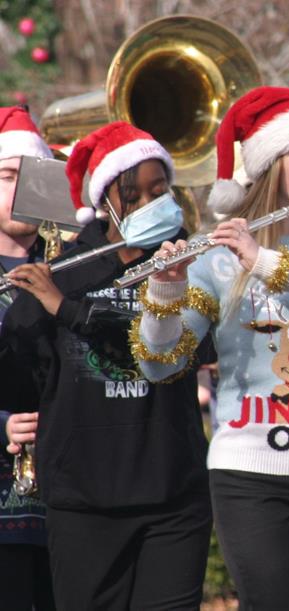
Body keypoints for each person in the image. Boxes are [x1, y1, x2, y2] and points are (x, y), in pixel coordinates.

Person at [133, 86, 289, 610]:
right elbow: (160, 364)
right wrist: (165, 288)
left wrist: (266, 263)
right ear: (269, 163)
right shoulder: (216, 253)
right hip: (250, 472)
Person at [0, 122, 212, 609]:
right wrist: (25, 317)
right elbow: (17, 382)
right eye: (134, 195)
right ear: (106, 202)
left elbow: (182, 350)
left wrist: (67, 310)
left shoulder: (190, 261)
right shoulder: (67, 271)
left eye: (160, 190)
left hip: (173, 496)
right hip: (84, 503)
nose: (150, 203)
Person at [0, 105, 55, 611]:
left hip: (72, 510)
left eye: (30, 177)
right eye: (7, 175)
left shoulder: (75, 266)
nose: (19, 190)